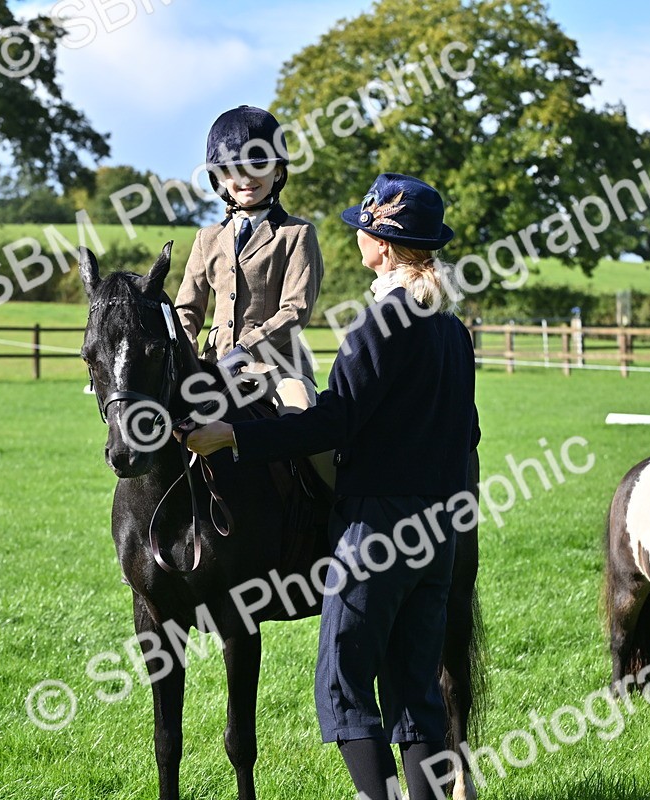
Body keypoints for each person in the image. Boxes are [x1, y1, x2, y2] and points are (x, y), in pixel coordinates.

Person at [179, 173, 478, 800]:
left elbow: (334, 419)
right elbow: (467, 434)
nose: (358, 238)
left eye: (366, 229)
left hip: (377, 532)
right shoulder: (453, 332)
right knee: (416, 693)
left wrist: (235, 436)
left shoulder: (378, 325)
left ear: (387, 246)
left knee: (342, 687)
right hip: (443, 531)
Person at [175, 106, 323, 408]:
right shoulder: (207, 239)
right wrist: (184, 348)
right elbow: (187, 308)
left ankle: (335, 458)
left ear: (278, 171)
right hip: (214, 366)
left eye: (258, 167)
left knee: (305, 420)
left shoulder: (297, 234)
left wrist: (246, 348)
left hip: (278, 368)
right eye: (232, 169)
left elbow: (296, 310)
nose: (245, 178)